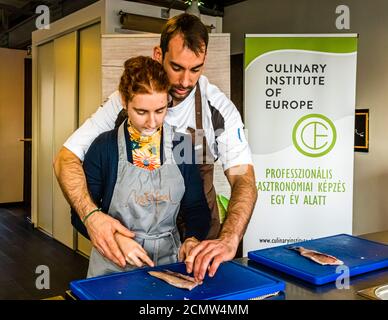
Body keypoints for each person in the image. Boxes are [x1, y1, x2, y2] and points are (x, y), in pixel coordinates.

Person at [54, 13, 257, 281]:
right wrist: (94, 219)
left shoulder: (214, 113)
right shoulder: (111, 126)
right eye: (176, 67)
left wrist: (226, 239)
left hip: (189, 249)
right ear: (158, 54)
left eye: (195, 69)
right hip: (118, 259)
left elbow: (243, 178)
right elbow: (65, 160)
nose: (185, 81)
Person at [83, 56, 210, 277]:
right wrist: (115, 238)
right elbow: (80, 214)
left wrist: (192, 239)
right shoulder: (104, 147)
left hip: (167, 263)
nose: (152, 123)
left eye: (160, 110)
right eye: (141, 112)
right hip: (113, 264)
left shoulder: (181, 145)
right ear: (124, 101)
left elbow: (196, 207)